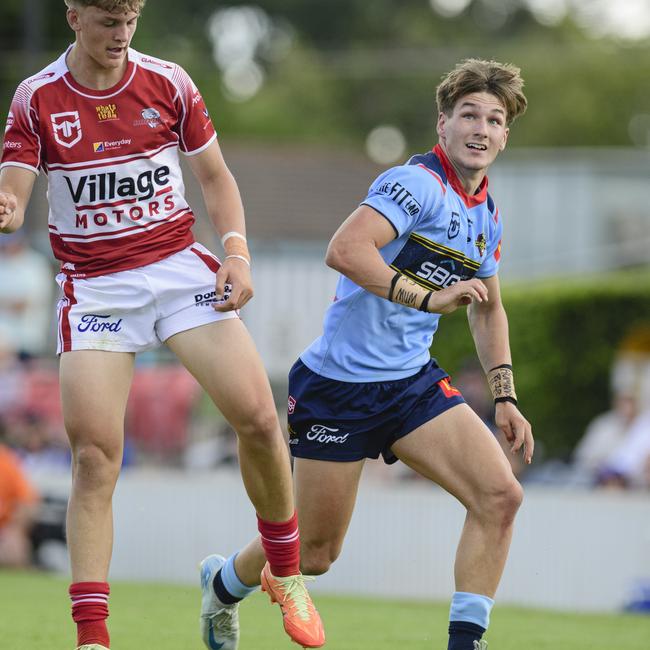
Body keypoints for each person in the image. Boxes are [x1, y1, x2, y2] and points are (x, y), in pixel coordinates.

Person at [0, 2, 324, 649]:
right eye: (107, 21)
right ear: (73, 15)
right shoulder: (37, 98)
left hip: (178, 272)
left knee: (259, 418)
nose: (121, 35)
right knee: (95, 459)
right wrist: (7, 206)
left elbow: (215, 176)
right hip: (95, 290)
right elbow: (14, 191)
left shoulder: (170, 82)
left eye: (129, 20)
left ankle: (284, 574)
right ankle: (93, 638)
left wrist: (237, 251)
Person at [205, 58, 535, 650]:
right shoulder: (414, 185)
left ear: (506, 134)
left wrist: (506, 397)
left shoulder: (486, 214)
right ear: (443, 124)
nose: (482, 128)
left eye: (495, 118)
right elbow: (346, 249)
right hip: (339, 387)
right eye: (469, 115)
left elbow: (488, 307)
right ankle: (224, 584)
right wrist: (429, 298)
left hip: (411, 386)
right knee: (314, 552)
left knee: (500, 495)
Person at [0, 421, 40, 568]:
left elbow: (28, 502)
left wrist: (15, 530)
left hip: (4, 530)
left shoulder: (5, 460)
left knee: (13, 549)